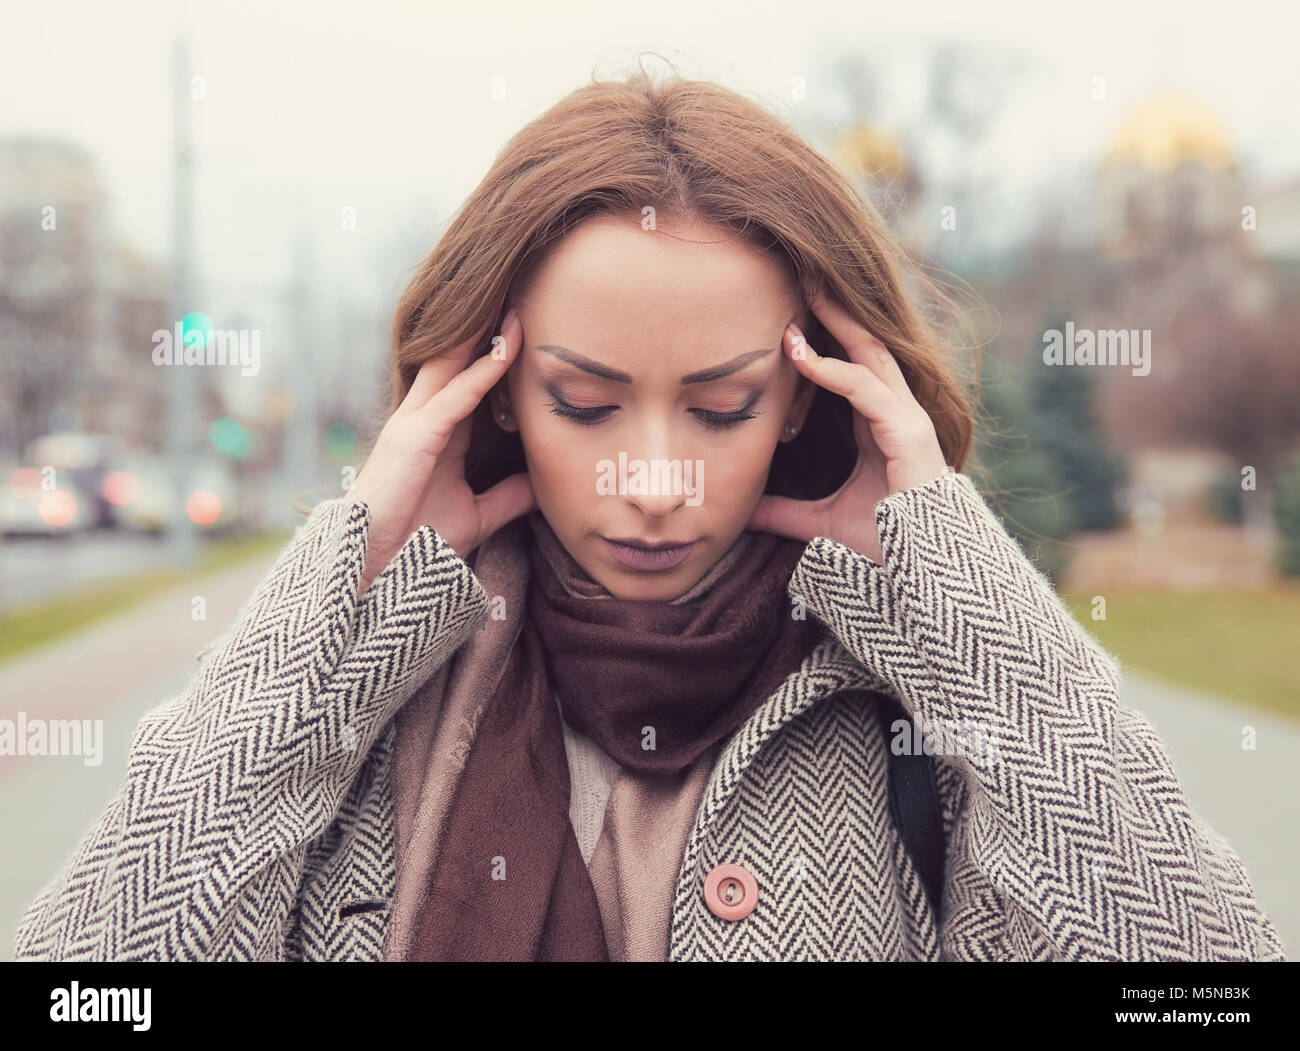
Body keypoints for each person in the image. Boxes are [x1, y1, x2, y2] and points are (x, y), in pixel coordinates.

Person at [14, 69, 1286, 962]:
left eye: (723, 408)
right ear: (493, 392)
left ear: (809, 400)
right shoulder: (366, 697)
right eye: (584, 401)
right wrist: (332, 602)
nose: (655, 483)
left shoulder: (926, 713)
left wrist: (968, 593)